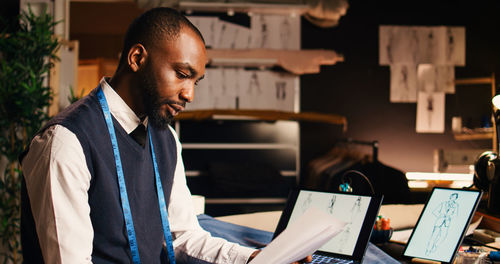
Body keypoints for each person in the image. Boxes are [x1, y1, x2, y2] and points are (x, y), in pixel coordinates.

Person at [20, 7, 311, 264]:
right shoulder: (66, 142)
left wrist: (254, 258)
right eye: (182, 74)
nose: (190, 94)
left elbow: (182, 237)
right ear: (137, 58)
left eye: (196, 80)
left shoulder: (166, 138)